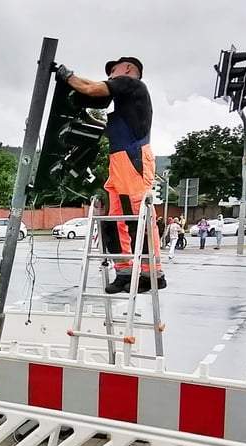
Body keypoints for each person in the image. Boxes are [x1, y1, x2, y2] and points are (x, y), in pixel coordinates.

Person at [56, 56, 165, 294]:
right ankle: (124, 270)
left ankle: (151, 272)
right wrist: (84, 118)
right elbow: (109, 130)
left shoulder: (132, 84)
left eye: (112, 71)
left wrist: (67, 76)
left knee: (138, 216)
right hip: (120, 161)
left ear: (127, 69)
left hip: (134, 158)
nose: (110, 77)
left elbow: (91, 88)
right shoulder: (127, 104)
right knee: (115, 221)